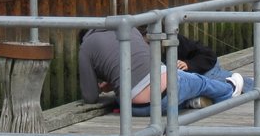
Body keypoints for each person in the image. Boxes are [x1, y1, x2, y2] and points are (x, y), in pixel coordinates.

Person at [79, 27, 243, 114]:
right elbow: (147, 64)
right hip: (166, 94)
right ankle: (230, 89)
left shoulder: (85, 47)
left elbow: (90, 97)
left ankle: (192, 102)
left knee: (173, 90)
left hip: (134, 109)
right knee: (197, 81)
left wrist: (111, 82)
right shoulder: (130, 29)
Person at [175, 33, 260, 96]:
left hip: (205, 68)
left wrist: (188, 64)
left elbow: (208, 55)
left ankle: (257, 86)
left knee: (220, 84)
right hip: (184, 82)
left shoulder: (176, 40)